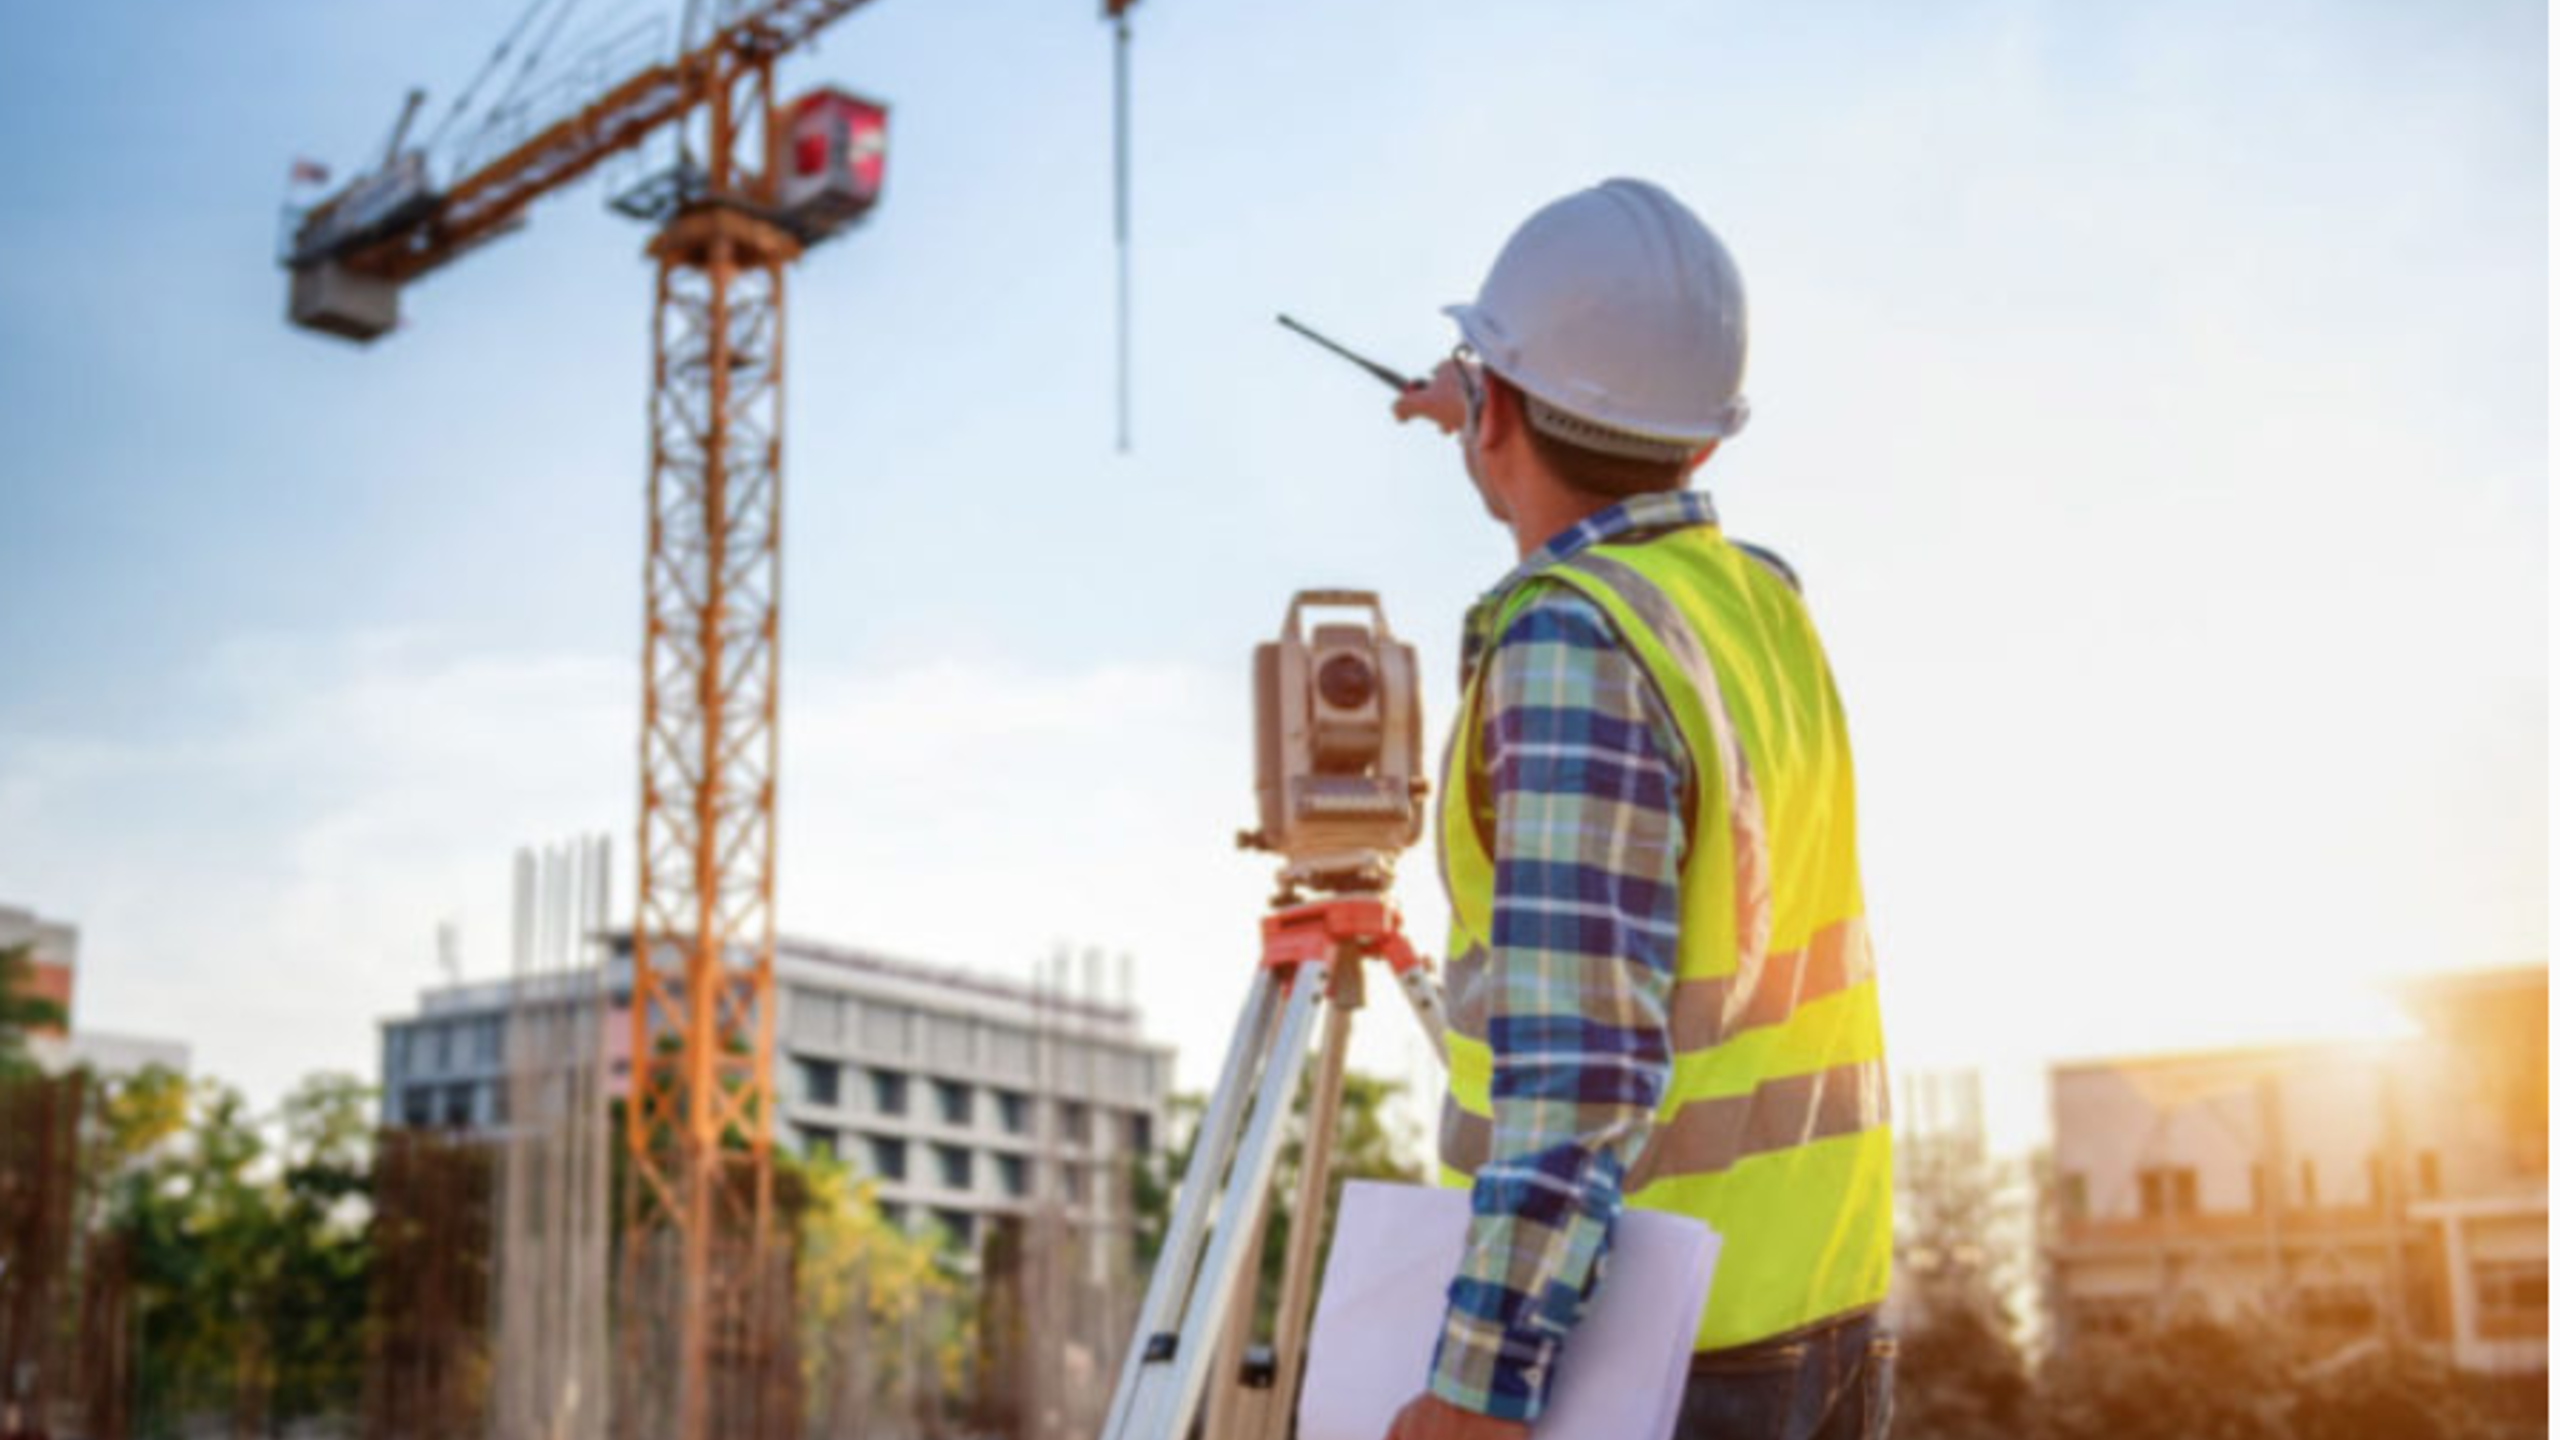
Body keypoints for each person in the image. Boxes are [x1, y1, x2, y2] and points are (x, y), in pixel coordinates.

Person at [1380, 179, 1894, 1440]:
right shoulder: (1755, 603)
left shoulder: (1576, 645)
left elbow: (1582, 1072)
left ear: (1493, 406)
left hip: (1654, 1362)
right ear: (1707, 440)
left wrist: (1475, 1388)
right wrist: (1494, 407)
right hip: (1819, 1317)